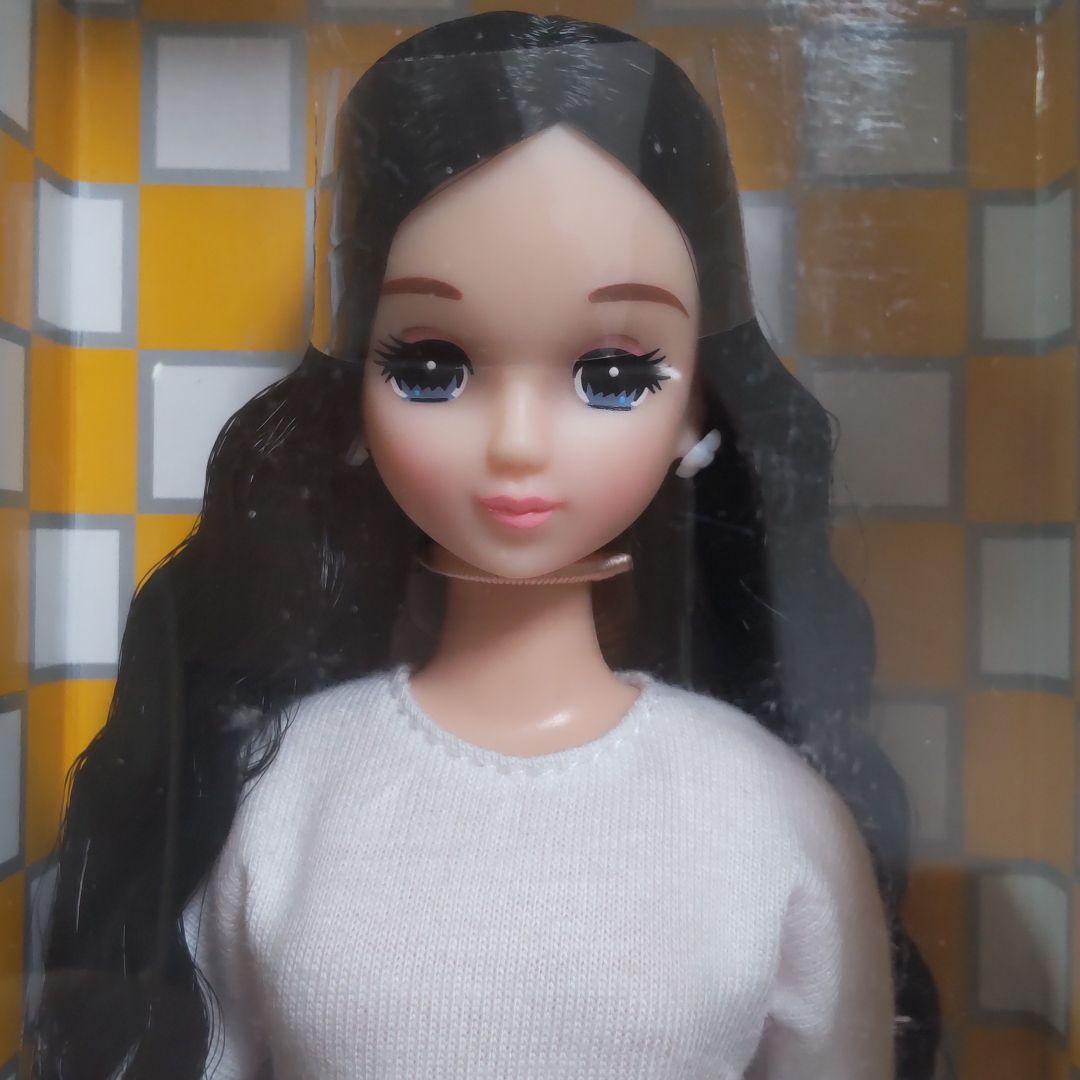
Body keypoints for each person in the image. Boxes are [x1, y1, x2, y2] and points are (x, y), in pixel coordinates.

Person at [28, 11, 939, 1078]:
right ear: (352, 393)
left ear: (699, 407)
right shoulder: (280, 800)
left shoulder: (773, 817)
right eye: (431, 366)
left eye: (612, 374)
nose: (515, 443)